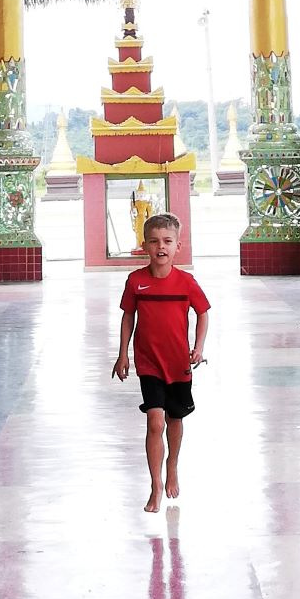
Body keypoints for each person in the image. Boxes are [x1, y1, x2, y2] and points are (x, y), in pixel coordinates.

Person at [112, 213, 210, 512]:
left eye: (167, 241)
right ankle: (155, 484)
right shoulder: (136, 281)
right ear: (145, 246)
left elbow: (203, 312)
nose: (161, 247)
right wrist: (122, 353)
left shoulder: (186, 282)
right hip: (148, 364)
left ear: (178, 246)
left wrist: (197, 347)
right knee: (155, 423)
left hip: (178, 362)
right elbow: (128, 316)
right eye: (154, 242)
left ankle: (173, 465)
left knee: (174, 420)